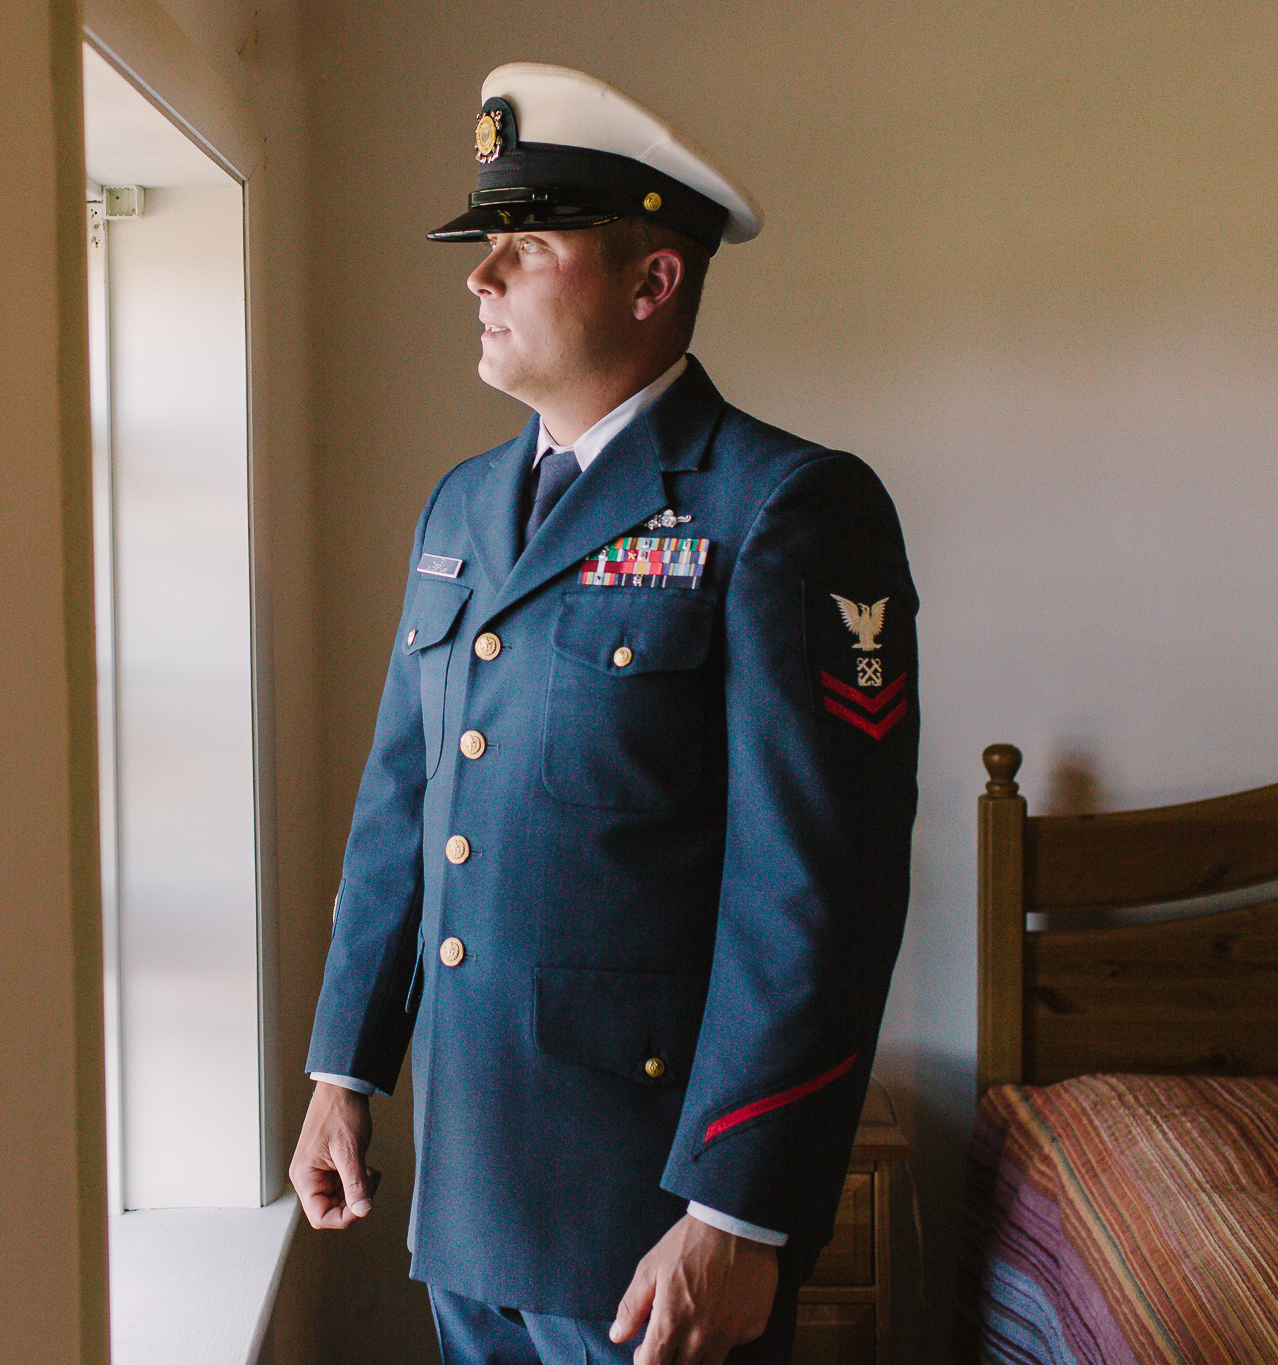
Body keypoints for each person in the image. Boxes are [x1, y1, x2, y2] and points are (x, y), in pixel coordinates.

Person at [292, 63, 919, 1365]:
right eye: (483, 246)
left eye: (525, 246)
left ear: (654, 283)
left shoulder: (779, 508)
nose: (481, 276)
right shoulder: (460, 509)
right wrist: (343, 1070)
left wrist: (737, 1205)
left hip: (651, 1226)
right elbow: (402, 806)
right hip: (471, 1191)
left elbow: (816, 894)